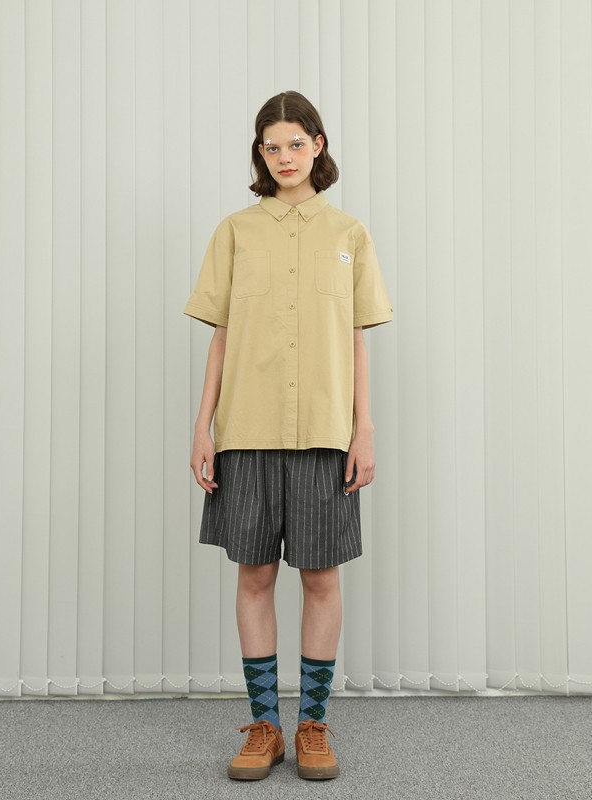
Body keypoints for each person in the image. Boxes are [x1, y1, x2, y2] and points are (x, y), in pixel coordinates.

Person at [184, 90, 393, 781]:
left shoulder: (349, 235)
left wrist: (364, 429)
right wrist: (202, 427)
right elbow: (221, 338)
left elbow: (357, 340)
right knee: (254, 576)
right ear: (260, 153)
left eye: (296, 144)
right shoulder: (236, 232)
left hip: (327, 434)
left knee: (322, 579)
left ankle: (314, 725)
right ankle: (265, 726)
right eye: (271, 147)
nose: (284, 157)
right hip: (246, 429)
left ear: (318, 145)